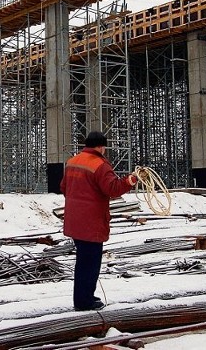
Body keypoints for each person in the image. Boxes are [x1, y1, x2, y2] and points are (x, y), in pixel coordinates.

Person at [60, 130, 138, 311]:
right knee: (91, 264)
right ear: (101, 147)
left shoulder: (72, 161)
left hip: (75, 222)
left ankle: (82, 298)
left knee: (82, 263)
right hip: (91, 223)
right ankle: (85, 302)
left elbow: (64, 187)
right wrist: (130, 180)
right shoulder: (99, 165)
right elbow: (112, 189)